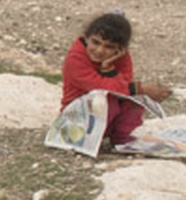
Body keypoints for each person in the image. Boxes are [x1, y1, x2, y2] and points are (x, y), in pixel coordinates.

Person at [61, 11, 172, 148]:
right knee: (107, 99)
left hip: (103, 120)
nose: (100, 50)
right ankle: (91, 140)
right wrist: (140, 88)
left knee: (134, 99)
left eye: (109, 47)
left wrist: (108, 68)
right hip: (76, 119)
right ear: (87, 38)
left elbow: (123, 85)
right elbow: (99, 87)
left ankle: (120, 137)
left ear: (120, 49)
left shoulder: (122, 58)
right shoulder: (75, 59)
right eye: (95, 42)